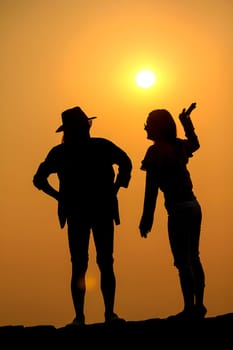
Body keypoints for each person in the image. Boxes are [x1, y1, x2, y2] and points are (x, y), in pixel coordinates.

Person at [33, 106, 132, 325]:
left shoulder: (61, 152)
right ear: (84, 127)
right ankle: (105, 314)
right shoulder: (99, 146)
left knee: (83, 264)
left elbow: (39, 179)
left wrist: (59, 197)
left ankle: (85, 317)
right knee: (101, 262)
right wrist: (116, 187)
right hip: (95, 210)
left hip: (86, 212)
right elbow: (125, 161)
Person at [139, 103, 207, 320]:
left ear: (157, 128)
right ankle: (199, 305)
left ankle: (189, 309)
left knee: (183, 261)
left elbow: (151, 191)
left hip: (178, 210)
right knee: (194, 257)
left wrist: (146, 219)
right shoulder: (179, 146)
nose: (145, 128)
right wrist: (186, 122)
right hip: (194, 206)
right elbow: (195, 143)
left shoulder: (154, 152)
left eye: (148, 125)